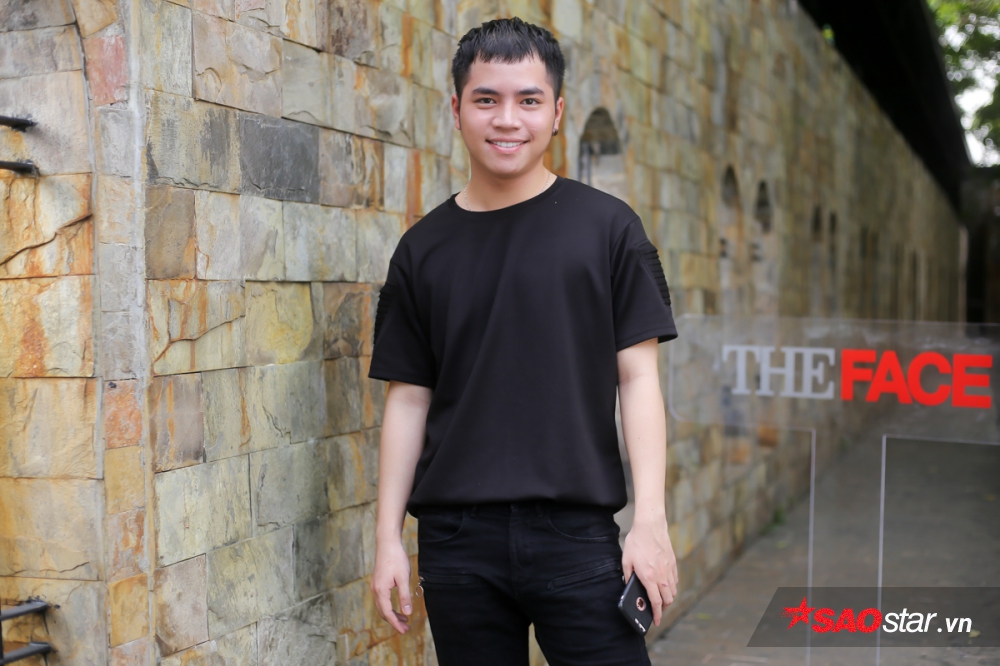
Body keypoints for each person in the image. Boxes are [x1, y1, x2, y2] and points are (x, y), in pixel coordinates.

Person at [368, 17, 679, 666]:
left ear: (557, 112)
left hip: (576, 537)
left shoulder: (609, 230)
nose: (507, 119)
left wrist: (650, 519)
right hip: (457, 545)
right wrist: (387, 537)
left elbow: (638, 379)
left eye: (528, 100)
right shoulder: (421, 250)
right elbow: (408, 398)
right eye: (486, 99)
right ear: (456, 110)